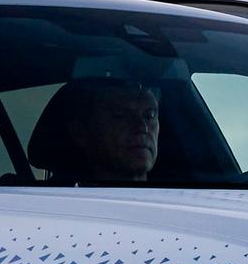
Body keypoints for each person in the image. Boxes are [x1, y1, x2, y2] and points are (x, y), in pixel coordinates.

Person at [25, 76, 162, 183]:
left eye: (149, 115)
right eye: (120, 115)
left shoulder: (179, 200)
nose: (142, 127)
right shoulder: (48, 209)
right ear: (80, 133)